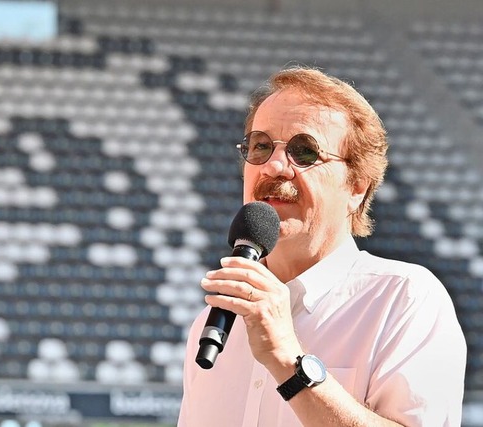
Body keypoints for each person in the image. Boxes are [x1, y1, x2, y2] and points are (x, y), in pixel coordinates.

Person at [178, 66, 467, 426]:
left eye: (304, 152)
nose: (276, 166)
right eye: (260, 146)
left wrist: (289, 361)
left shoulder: (405, 298)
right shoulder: (211, 328)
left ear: (357, 187)